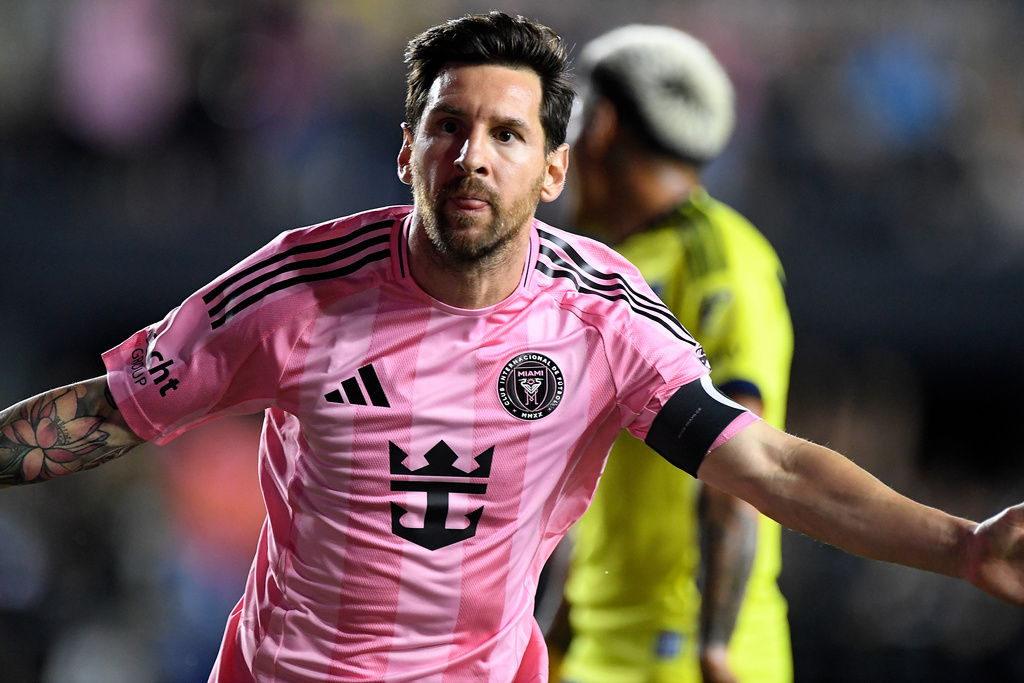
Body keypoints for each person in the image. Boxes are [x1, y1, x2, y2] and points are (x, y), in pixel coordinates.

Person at [1, 11, 1023, 683]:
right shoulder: (296, 289)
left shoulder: (603, 317)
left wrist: (961, 545)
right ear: (405, 150)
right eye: (448, 126)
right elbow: (109, 410)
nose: (472, 156)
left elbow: (765, 461)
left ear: (553, 168)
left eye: (506, 133)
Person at [550, 26, 792, 683]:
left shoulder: (720, 261)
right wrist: (554, 635)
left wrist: (715, 648)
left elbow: (741, 465)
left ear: (600, 124)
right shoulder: (602, 262)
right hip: (601, 644)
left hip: (684, 652)